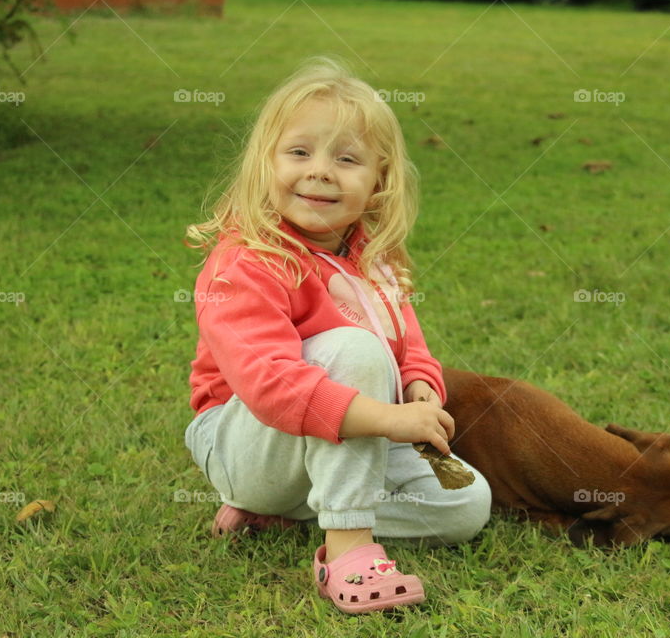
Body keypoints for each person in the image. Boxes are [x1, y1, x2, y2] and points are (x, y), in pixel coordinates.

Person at [183, 56, 492, 614]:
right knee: (352, 348)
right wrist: (392, 419)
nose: (321, 171)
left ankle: (294, 512)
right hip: (245, 443)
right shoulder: (246, 264)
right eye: (299, 152)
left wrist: (420, 384)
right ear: (264, 164)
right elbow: (272, 387)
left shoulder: (372, 257)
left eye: (346, 159)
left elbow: (407, 341)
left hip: (337, 440)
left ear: (379, 181)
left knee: (466, 502)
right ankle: (348, 547)